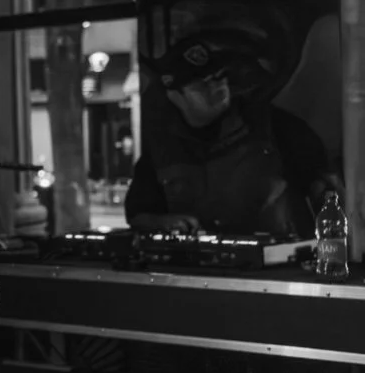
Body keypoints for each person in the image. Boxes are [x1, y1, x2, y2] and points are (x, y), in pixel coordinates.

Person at [125, 32, 334, 237]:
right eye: (201, 84)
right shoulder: (162, 148)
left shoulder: (274, 127)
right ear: (175, 96)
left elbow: (328, 195)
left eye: (219, 77)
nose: (215, 87)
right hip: (195, 267)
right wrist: (163, 223)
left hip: (280, 265)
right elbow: (137, 215)